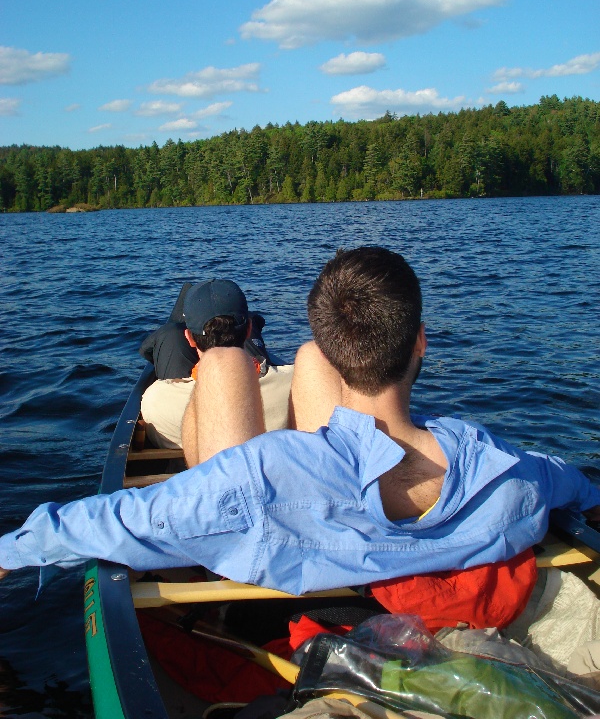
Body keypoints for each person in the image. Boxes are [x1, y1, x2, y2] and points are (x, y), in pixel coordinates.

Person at [1, 247, 599, 595]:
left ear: (336, 352)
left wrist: (12, 550)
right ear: (419, 343)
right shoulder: (508, 472)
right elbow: (570, 481)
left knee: (223, 367)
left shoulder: (255, 485)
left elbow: (113, 522)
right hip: (393, 508)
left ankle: (223, 358)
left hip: (294, 542)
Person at [139, 279, 294, 452]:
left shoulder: (156, 401)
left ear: (189, 338)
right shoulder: (296, 385)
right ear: (248, 329)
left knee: (170, 335)